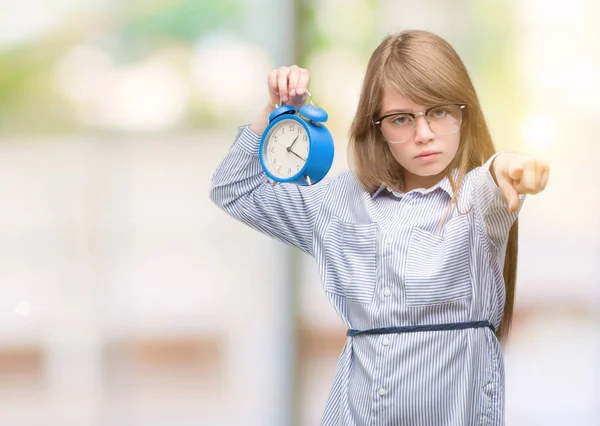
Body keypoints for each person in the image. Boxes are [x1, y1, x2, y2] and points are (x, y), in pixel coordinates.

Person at [209, 30, 549, 426]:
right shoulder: (340, 201)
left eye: (439, 111)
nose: (423, 134)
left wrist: (509, 165)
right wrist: (271, 113)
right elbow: (234, 188)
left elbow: (496, 174)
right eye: (401, 119)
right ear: (377, 126)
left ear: (464, 113)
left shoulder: (475, 199)